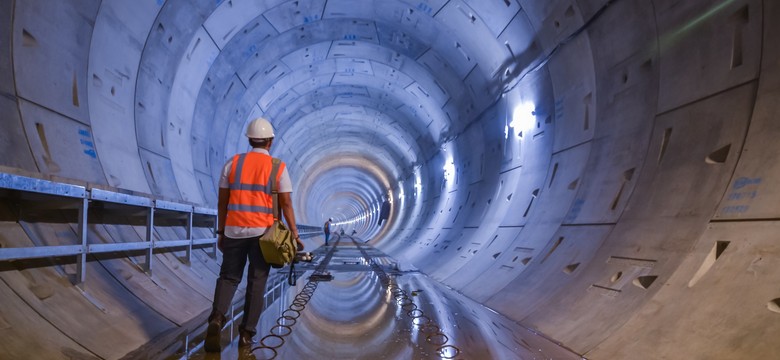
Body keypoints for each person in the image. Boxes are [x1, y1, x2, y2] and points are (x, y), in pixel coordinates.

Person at [206, 117, 304, 352]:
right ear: (270, 141)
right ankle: (246, 336)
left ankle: (217, 319)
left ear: (250, 140)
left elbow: (222, 202)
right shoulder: (278, 167)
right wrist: (294, 233)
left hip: (234, 230)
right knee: (257, 282)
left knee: (228, 277)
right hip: (264, 235)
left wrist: (221, 231)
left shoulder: (232, 164)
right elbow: (287, 204)